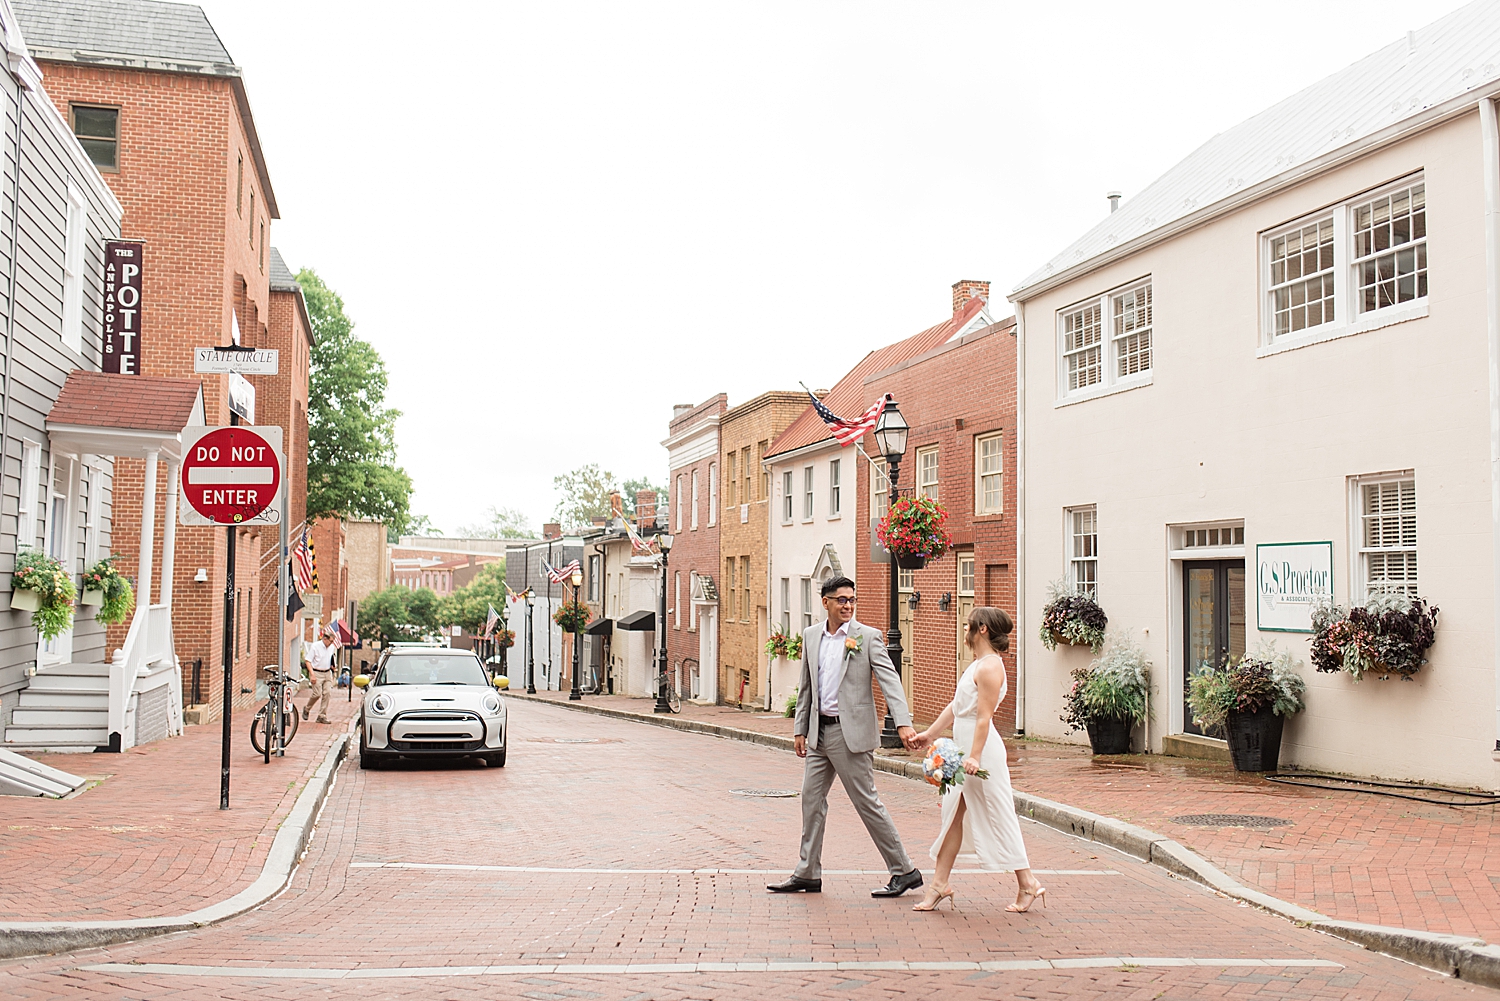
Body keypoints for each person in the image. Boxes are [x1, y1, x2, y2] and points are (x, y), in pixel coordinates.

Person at [767, 576, 925, 898]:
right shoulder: (812, 636)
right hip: (818, 733)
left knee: (866, 802)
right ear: (825, 602)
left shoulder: (867, 637)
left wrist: (903, 723)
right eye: (841, 600)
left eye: (852, 600)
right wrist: (800, 728)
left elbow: (890, 681)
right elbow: (808, 685)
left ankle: (904, 870)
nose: (848, 605)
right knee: (811, 801)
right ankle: (807, 873)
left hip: (849, 733)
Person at [910, 606, 1045, 913]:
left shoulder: (990, 668)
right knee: (953, 815)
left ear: (982, 629)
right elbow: (958, 707)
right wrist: (929, 735)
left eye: (969, 625)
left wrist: (973, 756)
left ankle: (1028, 883)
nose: (965, 631)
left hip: (982, 753)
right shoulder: (979, 664)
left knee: (999, 814)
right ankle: (939, 886)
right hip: (964, 749)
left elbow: (984, 718)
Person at [302, 624, 341, 724]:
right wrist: (312, 674)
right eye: (331, 641)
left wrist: (332, 667)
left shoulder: (331, 648)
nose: (332, 643)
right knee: (317, 694)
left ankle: (322, 715)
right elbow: (308, 661)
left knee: (327, 693)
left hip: (327, 672)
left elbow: (330, 658)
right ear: (325, 639)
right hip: (317, 672)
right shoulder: (316, 646)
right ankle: (307, 708)